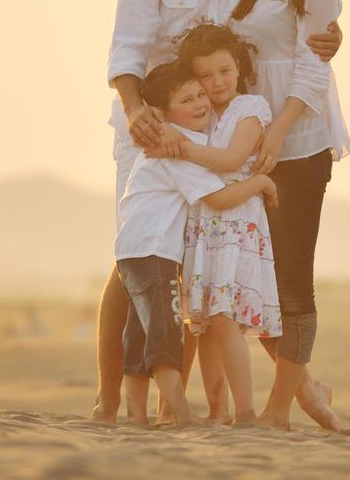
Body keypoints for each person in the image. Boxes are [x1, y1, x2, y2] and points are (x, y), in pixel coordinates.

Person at [91, 0, 342, 424]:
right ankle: (109, 400)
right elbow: (125, 50)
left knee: (210, 259)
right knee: (138, 257)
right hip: (153, 129)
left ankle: (226, 398)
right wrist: (135, 113)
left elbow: (293, 5)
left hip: (222, 128)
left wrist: (332, 35)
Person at [228, 0, 350, 431]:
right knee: (253, 273)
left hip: (298, 140)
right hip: (251, 137)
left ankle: (279, 410)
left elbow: (311, 67)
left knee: (292, 275)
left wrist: (278, 131)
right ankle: (306, 386)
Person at [115, 60, 277, 425]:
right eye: (187, 99)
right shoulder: (173, 146)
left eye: (200, 95)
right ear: (163, 113)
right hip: (154, 248)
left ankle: (136, 415)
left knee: (140, 332)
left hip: (136, 247)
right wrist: (262, 184)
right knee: (165, 334)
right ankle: (181, 412)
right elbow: (217, 198)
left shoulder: (175, 140)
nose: (200, 102)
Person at [170, 23, 281, 427]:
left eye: (224, 71)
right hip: (203, 222)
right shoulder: (199, 112)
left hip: (236, 220)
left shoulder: (250, 108)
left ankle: (246, 412)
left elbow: (233, 160)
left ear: (239, 67)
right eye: (205, 75)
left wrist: (181, 146)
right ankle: (217, 409)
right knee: (203, 320)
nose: (216, 83)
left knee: (224, 315)